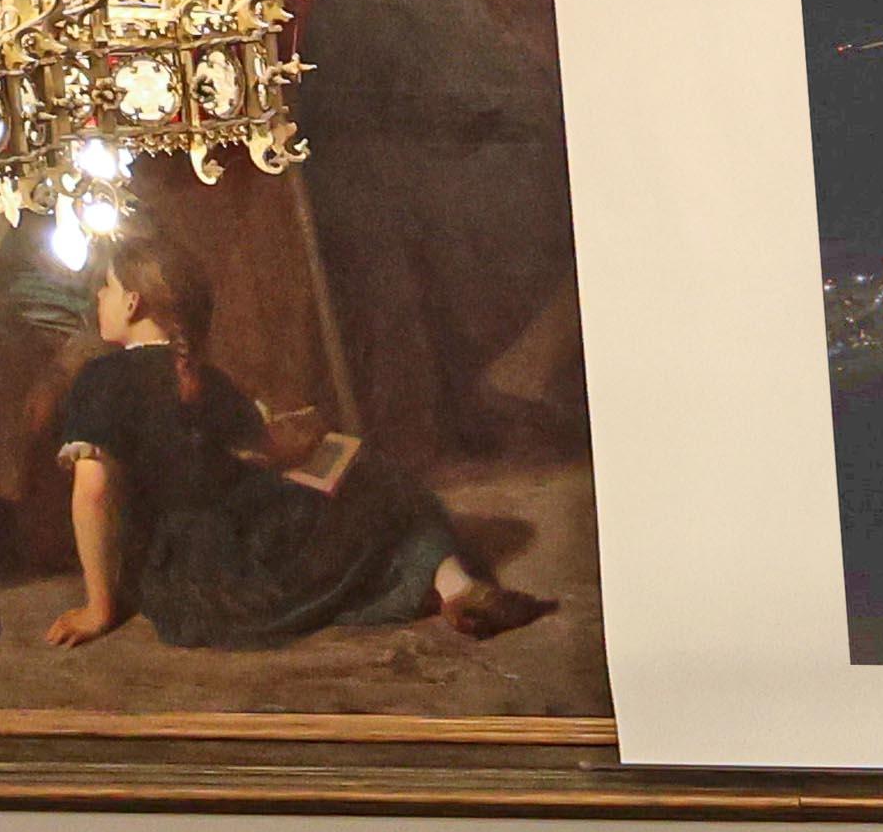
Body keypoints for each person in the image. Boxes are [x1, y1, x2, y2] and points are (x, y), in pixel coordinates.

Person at [43, 234, 548, 653]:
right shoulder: (205, 378)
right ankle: (457, 587)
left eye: (107, 288)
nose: (99, 298)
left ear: (134, 302)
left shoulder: (100, 379)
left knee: (366, 505)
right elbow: (271, 451)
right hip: (240, 553)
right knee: (383, 490)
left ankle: (453, 592)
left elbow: (94, 492)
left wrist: (99, 606)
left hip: (190, 581)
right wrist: (312, 440)